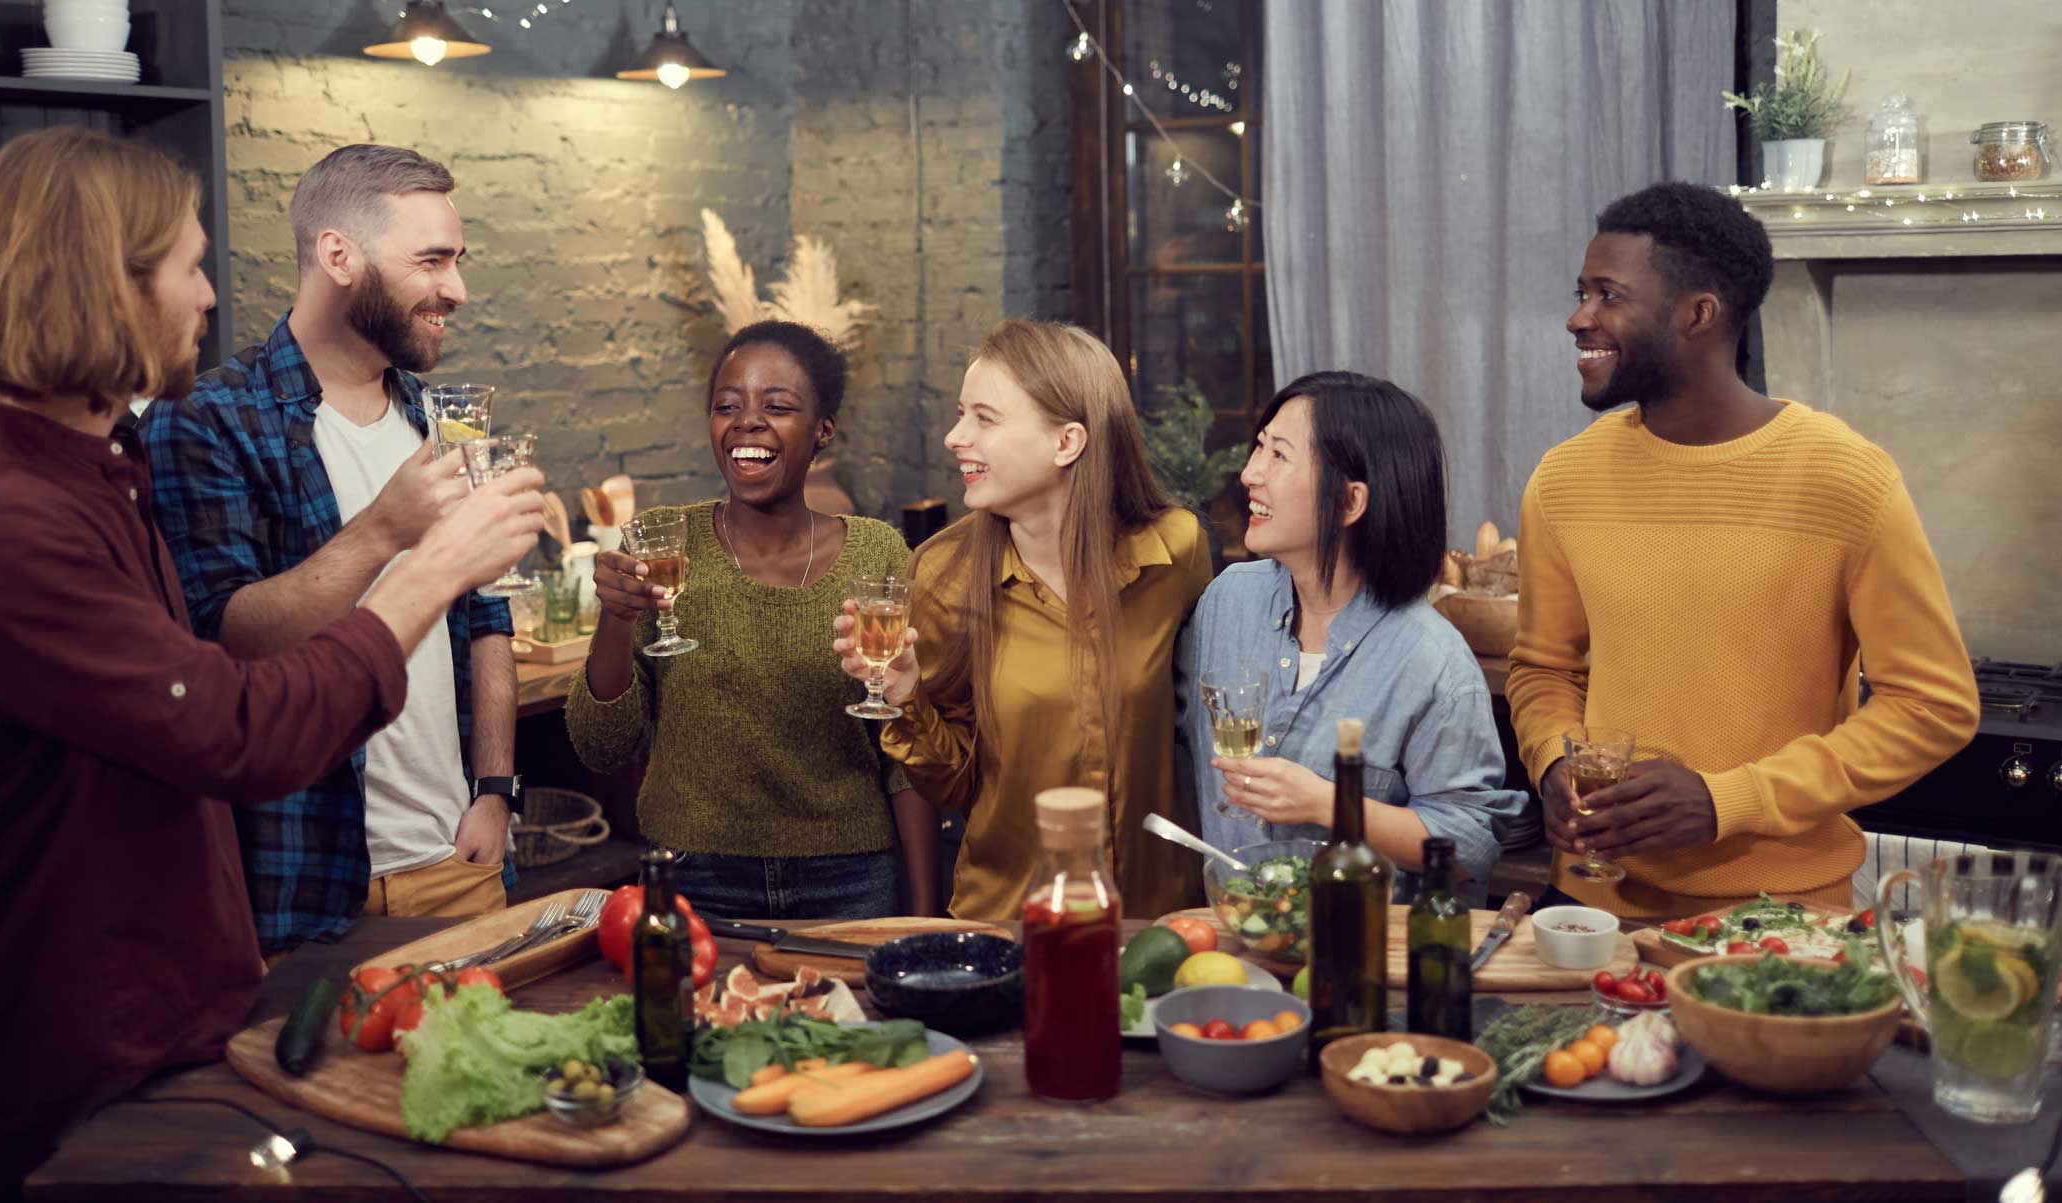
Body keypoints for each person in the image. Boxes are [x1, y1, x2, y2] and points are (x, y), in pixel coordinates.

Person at [0, 128, 542, 1195]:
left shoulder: (95, 468)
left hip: (168, 1013)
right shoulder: (2, 518)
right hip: (67, 1055)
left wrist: (491, 784)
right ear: (101, 288)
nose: (209, 297)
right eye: (187, 264)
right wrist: (416, 564)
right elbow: (236, 726)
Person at [1507, 180, 1980, 917]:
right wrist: (1551, 763)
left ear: (1698, 313)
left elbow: (1933, 705)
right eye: (1581, 292)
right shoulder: (1563, 479)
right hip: (1590, 907)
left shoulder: (1845, 477)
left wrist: (1728, 799)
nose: (1578, 319)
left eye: (1607, 296)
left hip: (1777, 912)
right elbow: (1541, 668)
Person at [138, 144, 525, 954]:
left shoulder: (436, 416)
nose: (456, 289)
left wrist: (493, 790)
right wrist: (386, 527)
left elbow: (485, 614)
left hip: (460, 860)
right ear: (338, 254)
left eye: (457, 261)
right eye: (432, 260)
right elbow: (225, 638)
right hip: (306, 878)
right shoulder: (210, 418)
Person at [832, 317, 1212, 920]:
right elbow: (951, 785)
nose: (956, 437)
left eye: (985, 418)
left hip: (1156, 921)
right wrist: (906, 695)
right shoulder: (941, 575)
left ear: (1067, 442)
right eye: (962, 414)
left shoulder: (1174, 553)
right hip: (1009, 924)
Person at [568, 321, 936, 918]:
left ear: (823, 431)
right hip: (694, 879)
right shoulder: (664, 546)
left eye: (778, 406)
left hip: (854, 880)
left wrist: (923, 910)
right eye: (727, 406)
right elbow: (602, 745)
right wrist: (615, 617)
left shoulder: (877, 555)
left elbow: (905, 751)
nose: (747, 421)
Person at [1179, 372, 1530, 905]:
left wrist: (1327, 802)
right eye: (1258, 448)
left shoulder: (1432, 662)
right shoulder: (1227, 603)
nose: (1250, 473)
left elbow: (1469, 846)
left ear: (1349, 502)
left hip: (1363, 955)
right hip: (1237, 943)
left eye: (1279, 456)